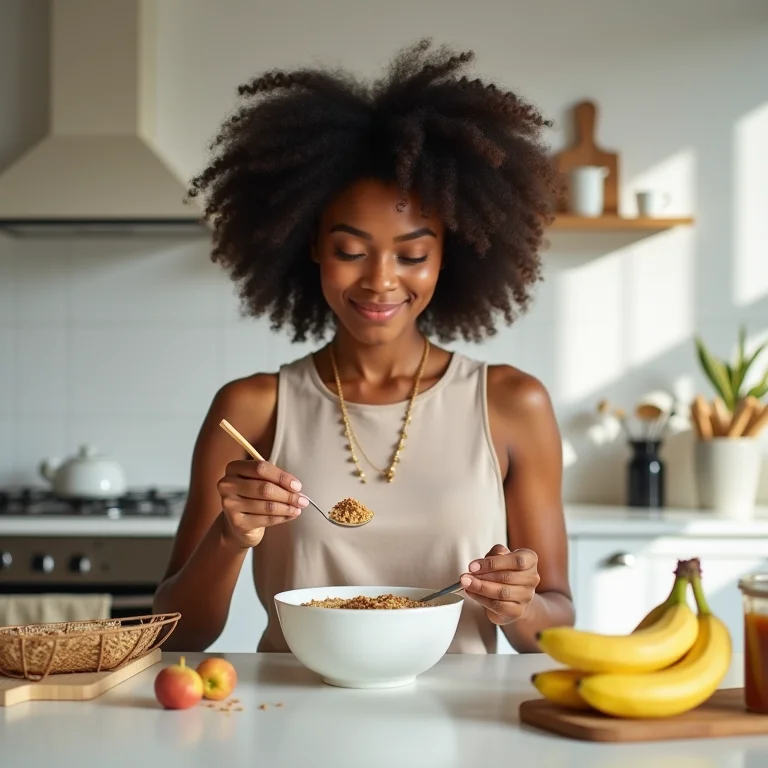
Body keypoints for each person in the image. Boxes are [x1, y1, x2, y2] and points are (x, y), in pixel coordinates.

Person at [153, 39, 574, 654]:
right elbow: (179, 633)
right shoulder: (250, 410)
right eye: (351, 251)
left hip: (460, 732)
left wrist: (520, 602)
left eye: (411, 254)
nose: (379, 280)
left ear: (446, 257)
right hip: (291, 722)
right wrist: (230, 536)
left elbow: (555, 626)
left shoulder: (513, 404)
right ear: (312, 246)